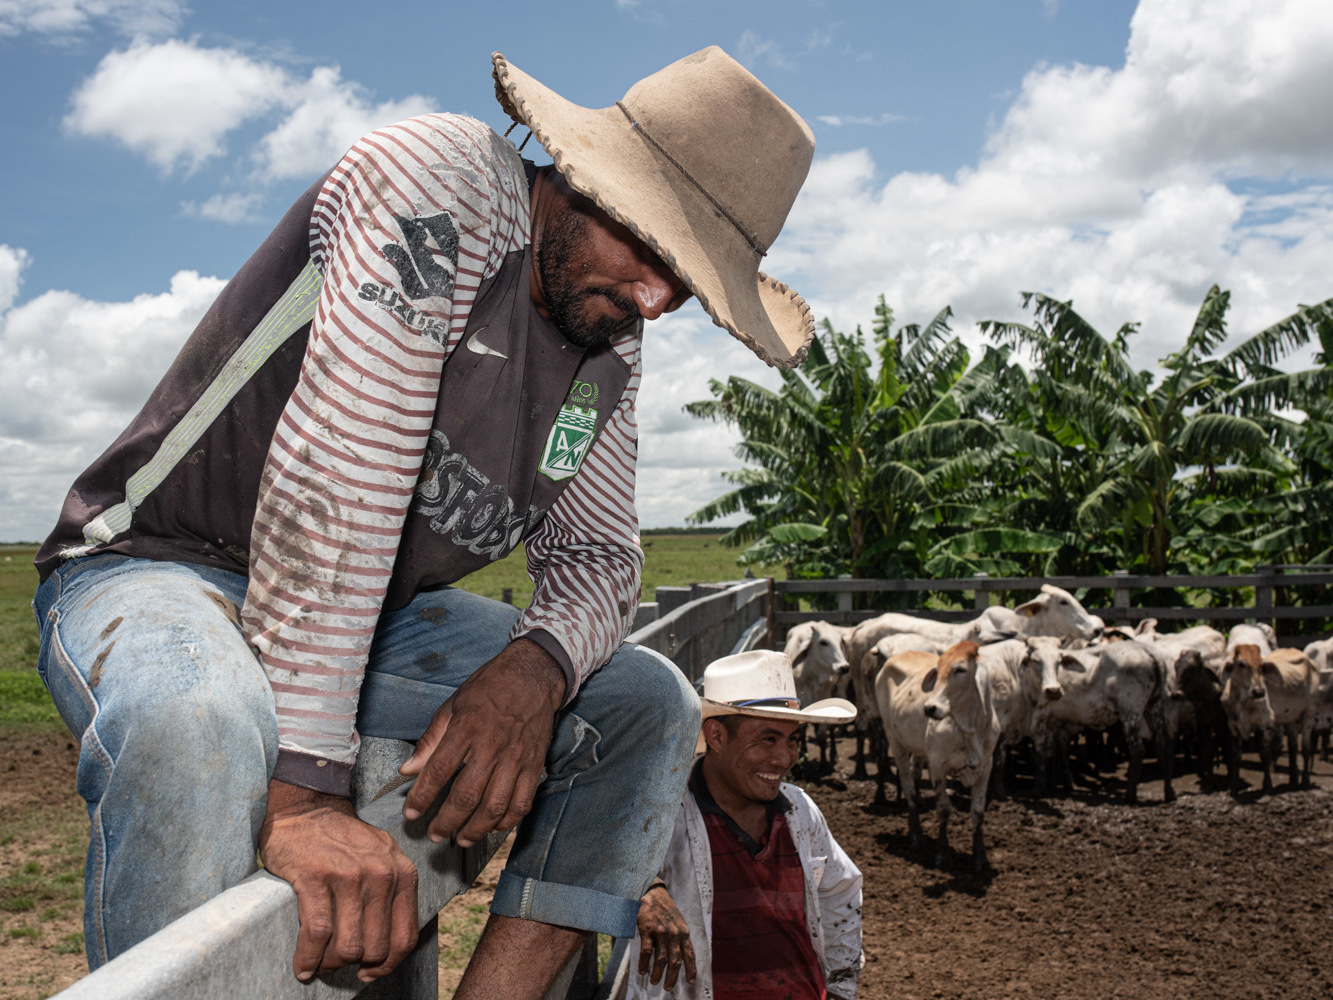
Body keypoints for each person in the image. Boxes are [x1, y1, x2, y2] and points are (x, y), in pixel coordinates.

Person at [30, 48, 817, 997]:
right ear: (580, 178)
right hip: (166, 563)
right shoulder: (438, 183)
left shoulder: (607, 335)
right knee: (197, 723)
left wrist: (535, 672)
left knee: (645, 707)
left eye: (686, 282)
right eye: (650, 249)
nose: (655, 299)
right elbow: (339, 481)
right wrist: (306, 791)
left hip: (375, 616)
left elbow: (601, 556)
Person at [632, 650, 863, 999]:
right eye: (768, 739)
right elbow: (595, 853)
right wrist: (646, 890)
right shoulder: (665, 813)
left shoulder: (800, 810)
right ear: (716, 736)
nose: (784, 758)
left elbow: (840, 891)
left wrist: (841, 989)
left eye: (793, 740)